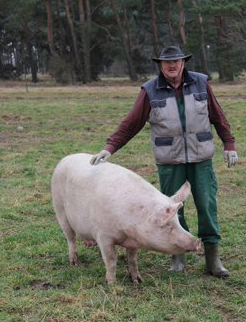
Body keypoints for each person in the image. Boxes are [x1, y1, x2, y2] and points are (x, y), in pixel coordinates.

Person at [90, 46, 238, 278]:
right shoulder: (150, 90)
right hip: (170, 161)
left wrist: (228, 144)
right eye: (167, 62)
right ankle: (178, 256)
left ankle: (213, 259)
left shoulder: (201, 83)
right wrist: (109, 148)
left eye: (176, 62)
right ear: (160, 65)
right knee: (171, 211)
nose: (172, 66)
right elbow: (131, 123)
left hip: (201, 159)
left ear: (183, 63)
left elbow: (217, 116)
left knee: (207, 207)